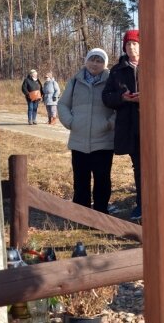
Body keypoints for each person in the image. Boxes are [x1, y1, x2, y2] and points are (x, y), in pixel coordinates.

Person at [58, 48, 115, 213]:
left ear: (105, 64)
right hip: (78, 140)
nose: (95, 64)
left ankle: (100, 213)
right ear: (86, 61)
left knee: (102, 180)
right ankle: (81, 214)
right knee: (80, 180)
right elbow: (63, 104)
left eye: (99, 61)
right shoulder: (75, 81)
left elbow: (118, 107)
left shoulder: (111, 81)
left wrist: (109, 124)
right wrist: (70, 122)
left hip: (103, 141)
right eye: (92, 59)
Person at [102, 29, 143, 220]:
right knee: (138, 166)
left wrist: (146, 98)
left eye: (134, 43)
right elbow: (106, 97)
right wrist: (122, 97)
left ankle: (158, 201)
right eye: (128, 44)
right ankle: (142, 203)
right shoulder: (117, 70)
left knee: (155, 165)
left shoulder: (153, 65)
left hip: (151, 125)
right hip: (129, 126)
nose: (131, 47)